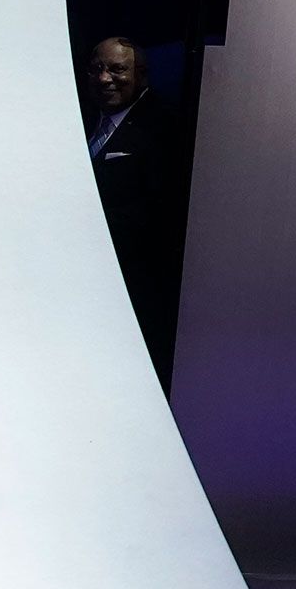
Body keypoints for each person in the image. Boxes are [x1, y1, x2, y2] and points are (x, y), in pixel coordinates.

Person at [84, 36, 184, 379]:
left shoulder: (165, 128)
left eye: (117, 69)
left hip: (133, 291)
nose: (104, 78)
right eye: (97, 69)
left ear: (140, 75)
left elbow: (158, 211)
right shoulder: (81, 119)